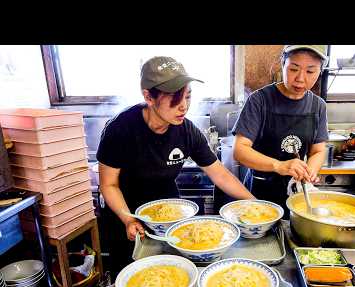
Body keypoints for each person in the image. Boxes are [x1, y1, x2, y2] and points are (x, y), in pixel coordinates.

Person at [97, 56, 254, 275]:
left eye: (188, 96)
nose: (184, 106)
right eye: (175, 98)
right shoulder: (121, 130)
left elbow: (221, 175)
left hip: (170, 215)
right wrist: (128, 219)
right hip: (125, 213)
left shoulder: (186, 131)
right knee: (131, 276)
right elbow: (108, 184)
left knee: (172, 272)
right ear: (148, 96)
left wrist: (254, 204)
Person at [232, 45, 329, 217]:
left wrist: (309, 172)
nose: (300, 78)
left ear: (319, 72)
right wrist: (280, 166)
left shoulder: (318, 105)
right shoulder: (259, 100)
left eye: (310, 71)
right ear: (282, 64)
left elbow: (318, 150)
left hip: (297, 192)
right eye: (293, 69)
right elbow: (240, 150)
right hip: (260, 190)